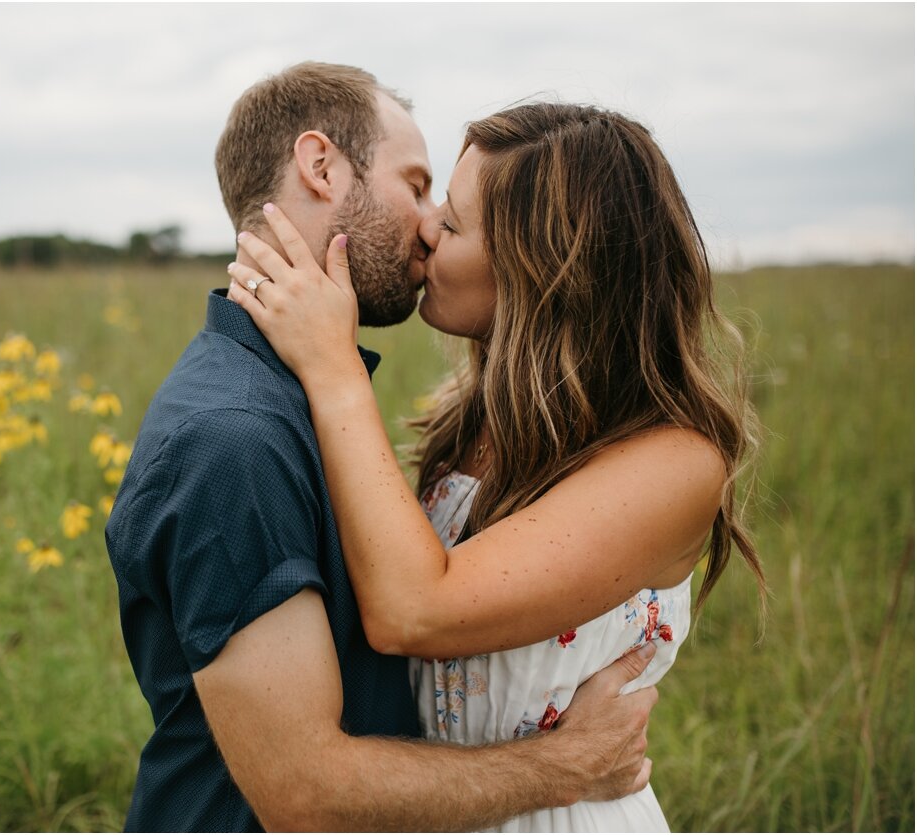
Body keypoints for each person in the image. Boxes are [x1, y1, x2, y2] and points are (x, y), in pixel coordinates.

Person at [104, 64, 658, 831]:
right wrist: (566, 766)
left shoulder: (306, 400)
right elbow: (305, 791)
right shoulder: (235, 440)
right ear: (321, 166)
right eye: (417, 183)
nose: (430, 223)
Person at [224, 100, 761, 830]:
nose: (424, 227)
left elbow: (414, 609)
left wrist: (334, 368)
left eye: (452, 222)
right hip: (448, 803)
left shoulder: (672, 462)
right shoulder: (469, 419)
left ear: (543, 268)